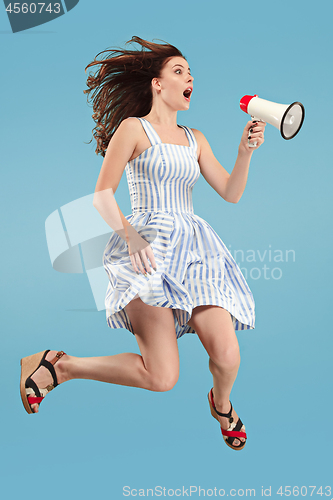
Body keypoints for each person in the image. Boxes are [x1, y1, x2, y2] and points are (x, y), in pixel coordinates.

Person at [20, 36, 265, 451]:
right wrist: (130, 238)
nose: (189, 79)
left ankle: (220, 405)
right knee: (162, 377)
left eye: (191, 74)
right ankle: (59, 366)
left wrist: (244, 152)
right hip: (146, 250)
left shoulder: (196, 138)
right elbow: (101, 195)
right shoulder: (133, 129)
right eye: (179, 71)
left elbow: (230, 192)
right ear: (156, 84)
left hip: (196, 252)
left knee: (227, 356)